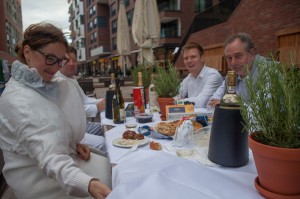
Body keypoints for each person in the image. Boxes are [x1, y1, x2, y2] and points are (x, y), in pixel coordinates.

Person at [0, 22, 111, 199]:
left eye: (60, 60)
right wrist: (89, 184)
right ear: (28, 52)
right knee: (113, 175)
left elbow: (51, 130)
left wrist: (72, 145)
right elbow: (47, 151)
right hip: (37, 178)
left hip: (55, 165)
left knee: (115, 167)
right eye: (50, 58)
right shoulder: (18, 98)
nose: (56, 67)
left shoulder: (42, 85)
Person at [57, 46, 106, 152]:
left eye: (74, 60)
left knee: (107, 127)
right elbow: (72, 111)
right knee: (104, 143)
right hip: (71, 132)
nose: (71, 64)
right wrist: (96, 108)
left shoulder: (71, 79)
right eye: (67, 60)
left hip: (83, 125)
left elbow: (84, 100)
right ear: (60, 62)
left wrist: (101, 101)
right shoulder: (59, 82)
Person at [208, 32, 267, 107]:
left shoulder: (268, 72)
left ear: (251, 54)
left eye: (238, 56)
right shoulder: (231, 76)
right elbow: (210, 104)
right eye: (229, 58)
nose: (233, 62)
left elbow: (263, 110)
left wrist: (228, 102)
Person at [178, 42, 223, 108]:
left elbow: (201, 103)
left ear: (202, 58)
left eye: (193, 57)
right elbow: (176, 96)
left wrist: (178, 102)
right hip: (192, 117)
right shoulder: (189, 78)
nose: (189, 61)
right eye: (186, 58)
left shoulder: (213, 75)